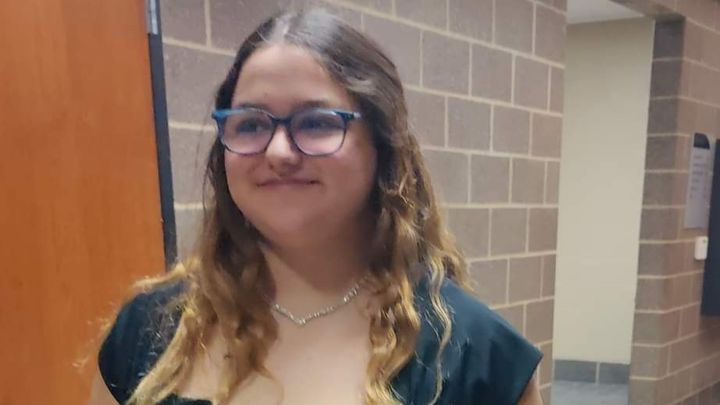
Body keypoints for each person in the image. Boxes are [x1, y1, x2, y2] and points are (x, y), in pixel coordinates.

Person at [88, 8, 543, 405]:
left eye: (316, 122)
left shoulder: (477, 358)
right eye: (251, 124)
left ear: (382, 146)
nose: (278, 151)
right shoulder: (149, 329)